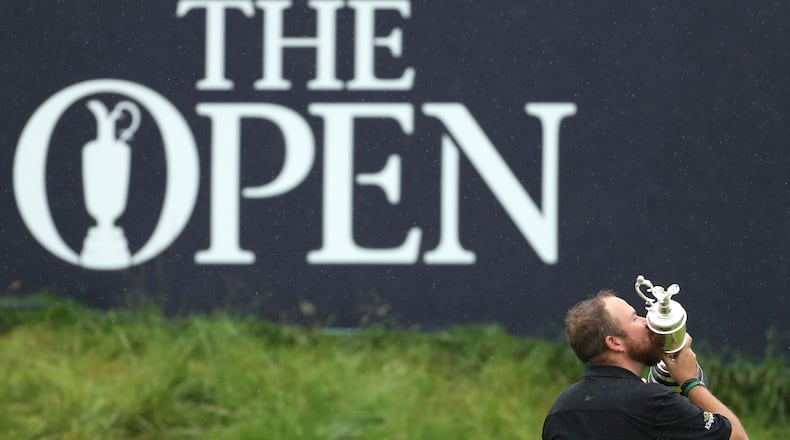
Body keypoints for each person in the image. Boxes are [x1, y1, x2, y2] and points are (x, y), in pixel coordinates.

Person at [542, 290, 749, 440]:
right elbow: (737, 437)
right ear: (615, 343)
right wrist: (691, 383)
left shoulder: (560, 411)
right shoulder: (651, 403)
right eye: (635, 318)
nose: (647, 322)